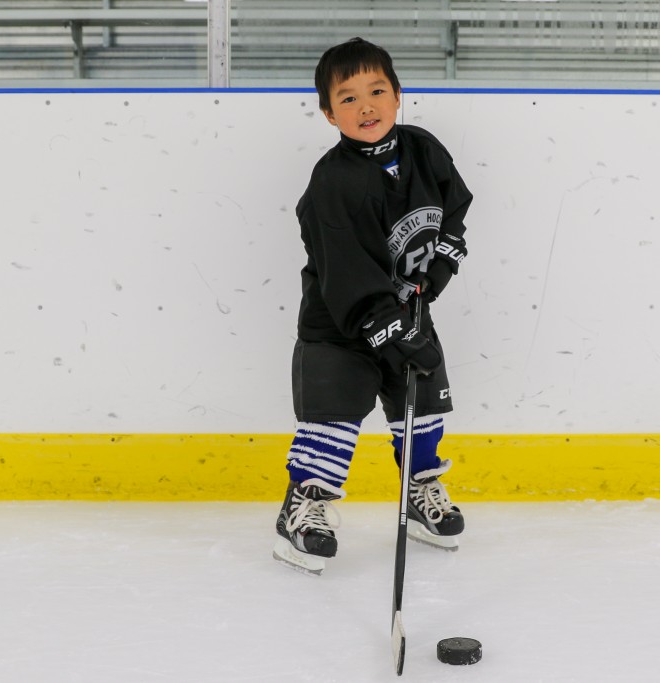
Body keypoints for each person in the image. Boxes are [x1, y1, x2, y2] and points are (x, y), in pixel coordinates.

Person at [272, 37, 474, 575]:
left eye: (377, 90)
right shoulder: (333, 183)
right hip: (339, 328)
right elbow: (344, 269)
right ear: (327, 112)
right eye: (348, 98)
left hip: (408, 314)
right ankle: (302, 508)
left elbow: (453, 211)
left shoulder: (423, 149)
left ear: (398, 93)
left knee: (423, 410)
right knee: (332, 422)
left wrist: (440, 267)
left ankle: (420, 491)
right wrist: (387, 329)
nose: (366, 106)